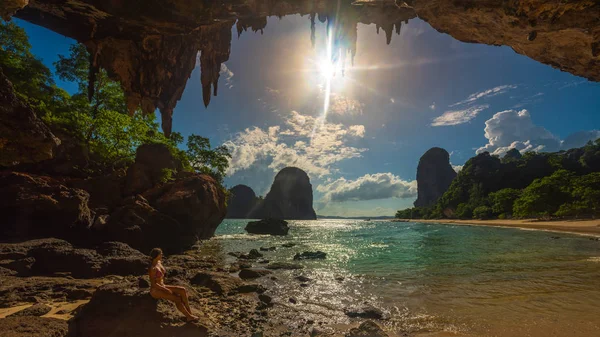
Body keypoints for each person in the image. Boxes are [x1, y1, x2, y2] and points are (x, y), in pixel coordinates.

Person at [148, 248, 198, 321]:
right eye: (161, 254)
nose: (162, 255)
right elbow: (153, 284)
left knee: (182, 290)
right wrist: (165, 289)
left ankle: (189, 313)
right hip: (155, 290)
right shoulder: (152, 268)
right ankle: (189, 317)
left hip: (162, 285)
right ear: (157, 255)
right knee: (177, 298)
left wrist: (165, 287)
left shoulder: (159, 262)